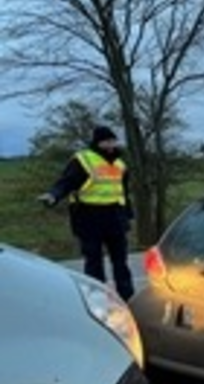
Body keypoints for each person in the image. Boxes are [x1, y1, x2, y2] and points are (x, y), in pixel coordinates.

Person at [38, 125, 136, 299]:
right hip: (89, 216)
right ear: (98, 142)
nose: (111, 145)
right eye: (107, 141)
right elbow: (66, 182)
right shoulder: (83, 160)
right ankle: (97, 298)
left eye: (113, 141)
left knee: (120, 260)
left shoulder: (120, 164)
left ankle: (127, 296)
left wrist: (128, 215)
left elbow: (122, 191)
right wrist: (53, 195)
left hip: (115, 216)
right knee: (93, 261)